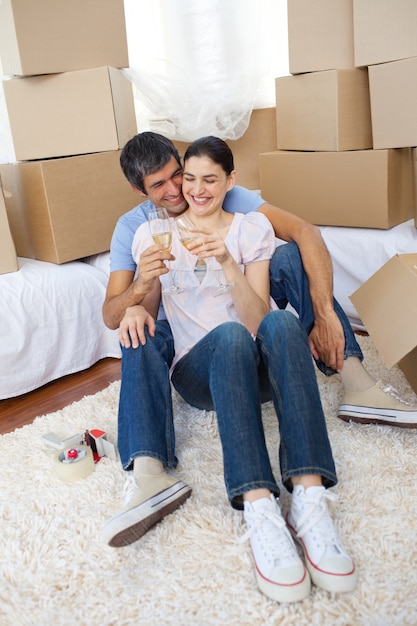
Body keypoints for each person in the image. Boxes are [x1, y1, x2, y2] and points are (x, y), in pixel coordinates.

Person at [104, 136, 358, 603]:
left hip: (251, 353)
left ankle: (308, 497)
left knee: (278, 321)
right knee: (215, 335)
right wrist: (137, 300)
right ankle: (257, 505)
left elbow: (260, 319)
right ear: (143, 192)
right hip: (201, 368)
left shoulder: (250, 226)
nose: (187, 190)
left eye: (192, 177)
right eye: (165, 184)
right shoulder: (143, 234)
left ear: (227, 182)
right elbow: (130, 307)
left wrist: (225, 258)